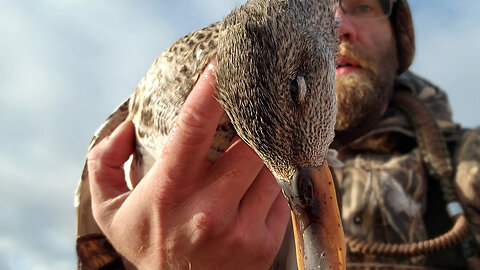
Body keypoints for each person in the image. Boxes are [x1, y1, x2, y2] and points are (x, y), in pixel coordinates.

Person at [77, 0, 480, 269]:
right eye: (325, 5)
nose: (341, 26)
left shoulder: (468, 161)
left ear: (399, 36)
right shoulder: (153, 131)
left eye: (362, 4)